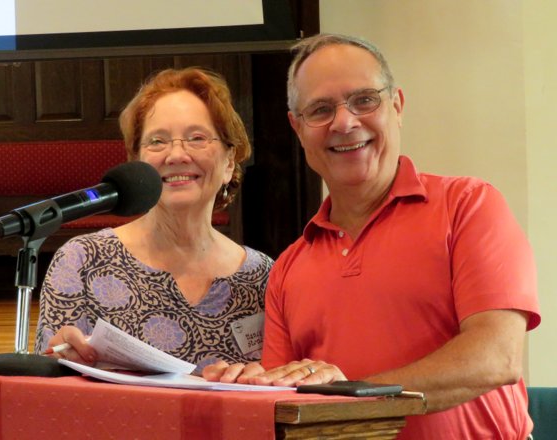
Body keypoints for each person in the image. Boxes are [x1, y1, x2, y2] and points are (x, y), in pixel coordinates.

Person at [203, 34, 541, 439]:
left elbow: (496, 358)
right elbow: (288, 401)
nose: (344, 123)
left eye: (364, 100)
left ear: (396, 106)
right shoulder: (289, 267)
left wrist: (355, 391)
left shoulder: (468, 206)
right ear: (297, 128)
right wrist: (244, 384)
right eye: (321, 110)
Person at [34, 67, 273, 373]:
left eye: (197, 138)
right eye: (157, 142)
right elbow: (50, 392)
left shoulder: (263, 276)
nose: (176, 155)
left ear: (229, 162)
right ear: (137, 164)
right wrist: (57, 362)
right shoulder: (82, 262)